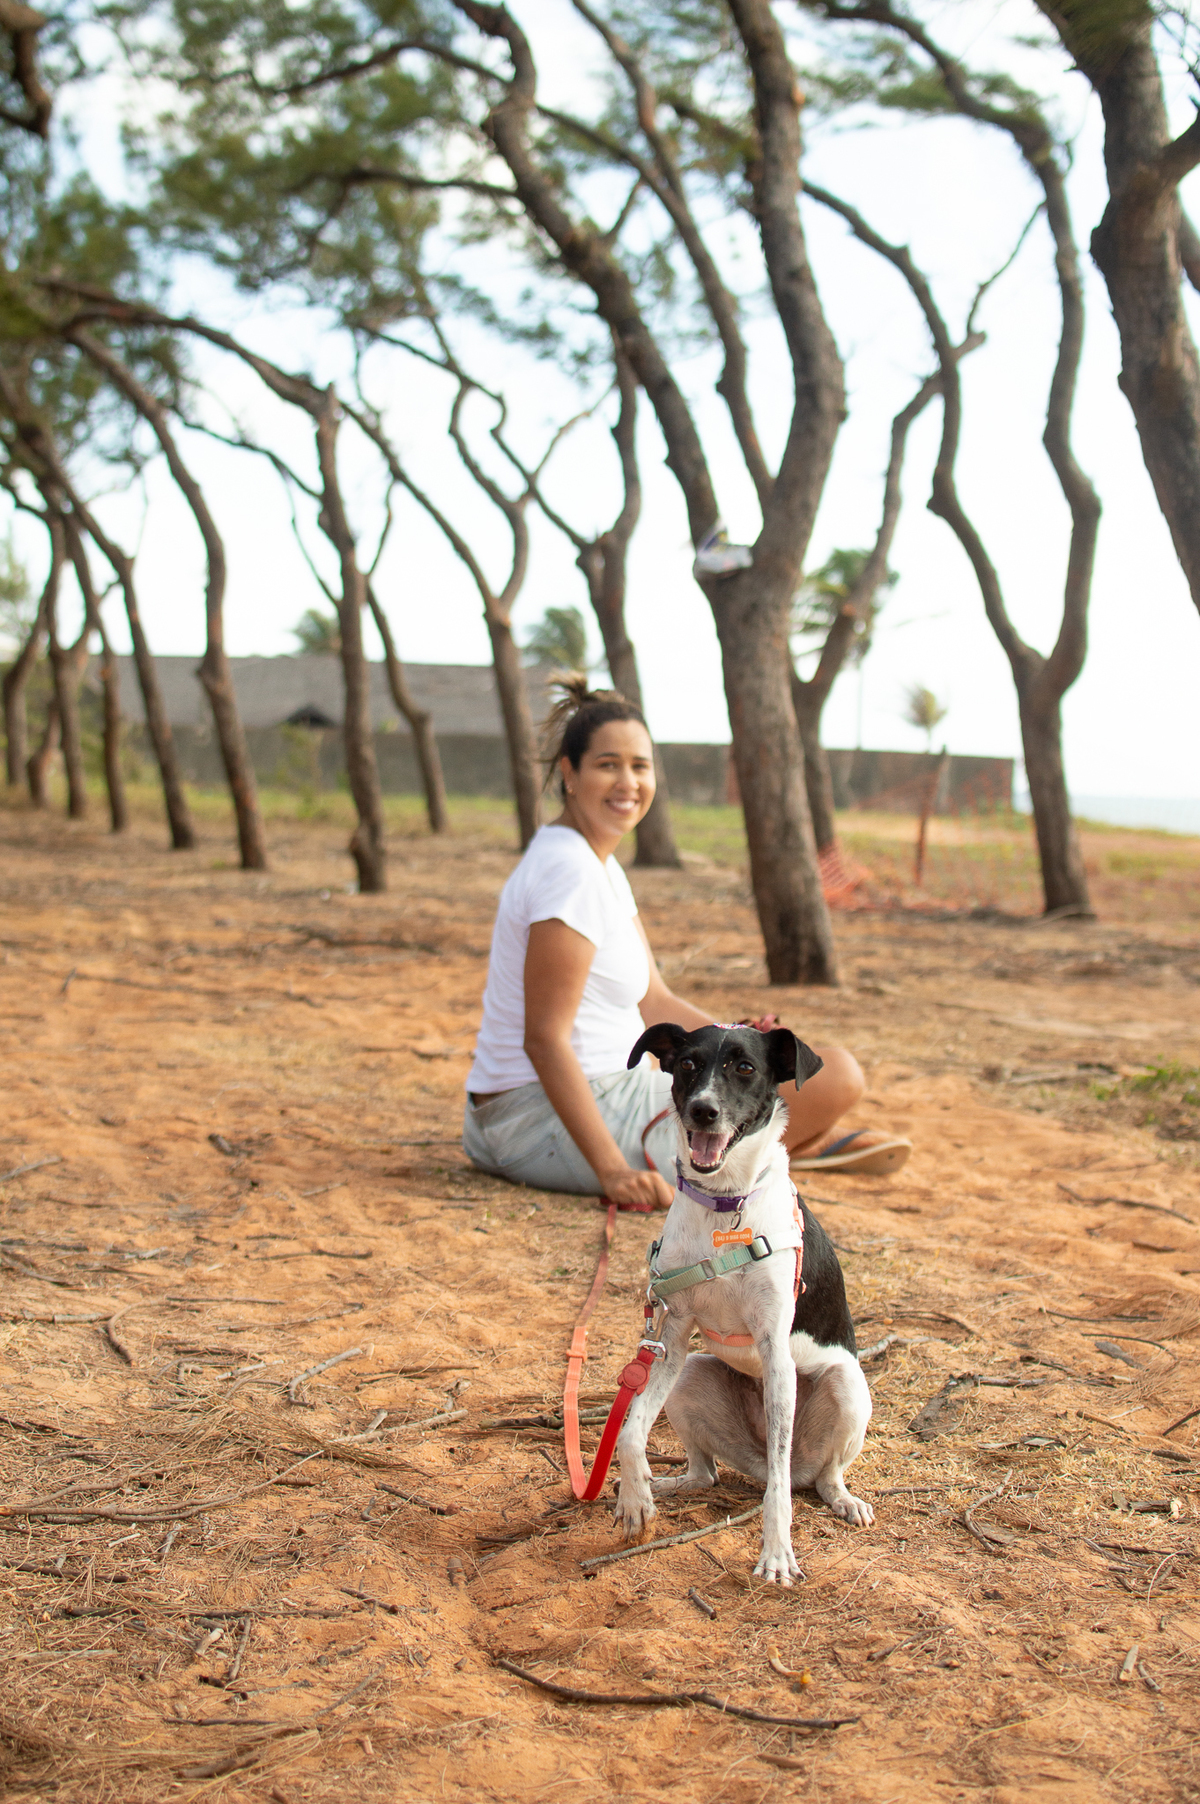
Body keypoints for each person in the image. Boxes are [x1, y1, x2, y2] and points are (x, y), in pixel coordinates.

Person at [463, 679, 911, 1208]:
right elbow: (543, 1037)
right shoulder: (570, 872)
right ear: (569, 772)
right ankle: (790, 1146)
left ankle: (782, 1144)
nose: (627, 781)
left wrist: (736, 1037)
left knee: (802, 1073)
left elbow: (653, 999)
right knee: (837, 1076)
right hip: (531, 1121)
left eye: (640, 765)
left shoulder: (593, 864)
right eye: (608, 764)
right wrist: (611, 1172)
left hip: (589, 1100)